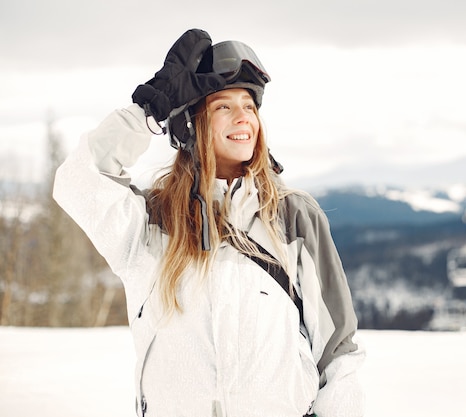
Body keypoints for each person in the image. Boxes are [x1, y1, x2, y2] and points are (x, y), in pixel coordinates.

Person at [53, 28, 365, 417]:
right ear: (191, 125)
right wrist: (148, 112)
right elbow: (76, 182)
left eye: (249, 106)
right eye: (223, 106)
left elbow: (337, 355)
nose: (242, 117)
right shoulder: (150, 222)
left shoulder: (294, 217)